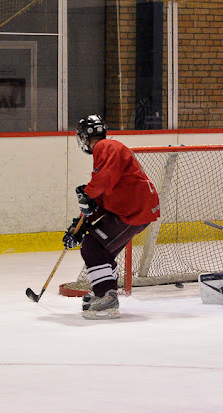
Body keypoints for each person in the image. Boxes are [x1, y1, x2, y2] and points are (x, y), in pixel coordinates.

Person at [63, 114, 160, 319]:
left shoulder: (105, 147)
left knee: (92, 246)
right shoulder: (109, 152)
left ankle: (107, 298)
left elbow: (101, 184)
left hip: (133, 209)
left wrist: (87, 194)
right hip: (133, 207)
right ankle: (105, 292)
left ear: (87, 135)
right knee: (101, 251)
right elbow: (104, 197)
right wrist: (81, 224)